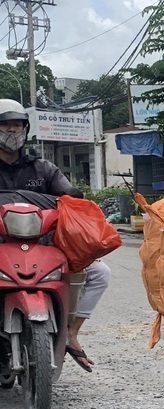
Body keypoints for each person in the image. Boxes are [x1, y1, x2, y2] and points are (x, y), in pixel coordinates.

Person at [0, 98, 110, 371]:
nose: (11, 131)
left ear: (25, 130)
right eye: (5, 125)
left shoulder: (43, 169)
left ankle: (71, 333)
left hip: (43, 244)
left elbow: (71, 195)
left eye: (17, 125)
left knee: (100, 273)